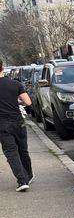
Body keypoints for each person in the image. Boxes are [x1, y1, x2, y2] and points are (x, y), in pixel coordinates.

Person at [0, 61, 35, 192]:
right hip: (17, 121)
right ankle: (29, 175)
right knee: (23, 150)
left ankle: (22, 181)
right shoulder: (15, 84)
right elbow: (28, 102)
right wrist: (16, 101)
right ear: (2, 67)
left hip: (2, 124)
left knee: (11, 152)